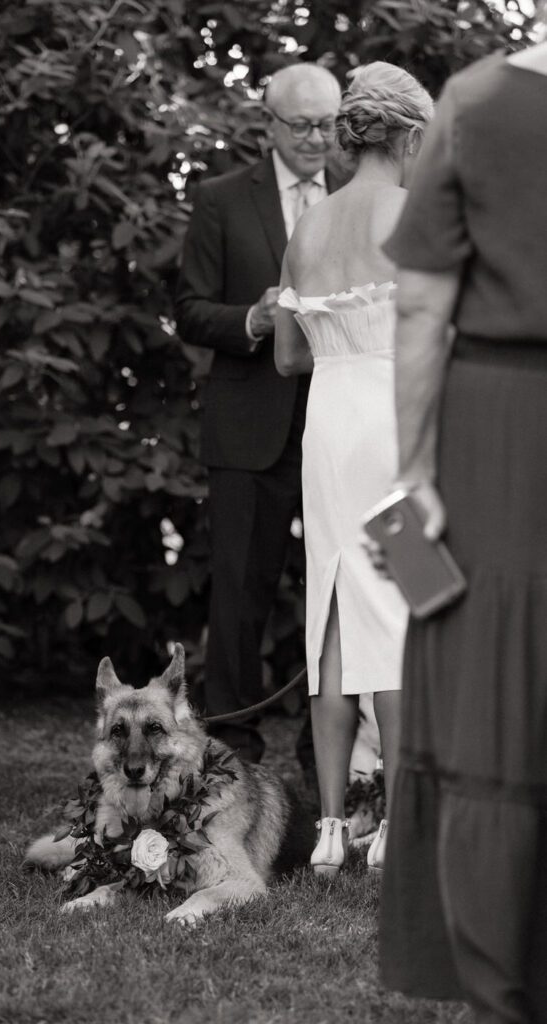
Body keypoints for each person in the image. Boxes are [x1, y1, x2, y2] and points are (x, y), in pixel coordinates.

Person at [375, 41, 547, 1024]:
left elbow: (420, 306)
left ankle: (500, 986)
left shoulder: (476, 103)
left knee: (492, 696)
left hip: (500, 437)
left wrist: (412, 475)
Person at [274, 62, 434, 873]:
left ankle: (333, 829)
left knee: (333, 616)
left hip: (328, 430)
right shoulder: (415, 217)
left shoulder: (308, 227)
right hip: (395, 428)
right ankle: (400, 825)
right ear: (409, 136)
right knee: (405, 612)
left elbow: (286, 355)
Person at [175, 63, 345, 766]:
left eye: (329, 124)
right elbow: (189, 309)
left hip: (340, 420)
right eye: (301, 125)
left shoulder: (360, 195)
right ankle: (232, 750)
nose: (317, 138)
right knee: (240, 593)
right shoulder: (220, 198)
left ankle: (326, 747)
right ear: (268, 125)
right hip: (249, 425)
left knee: (337, 589)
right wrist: (253, 317)